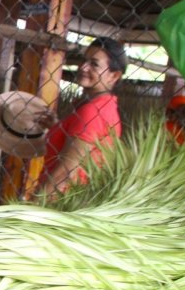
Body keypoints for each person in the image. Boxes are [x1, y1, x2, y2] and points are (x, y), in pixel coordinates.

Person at [36, 37, 127, 195]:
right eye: (84, 60)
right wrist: (57, 127)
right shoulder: (107, 107)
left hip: (59, 200)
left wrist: (29, 209)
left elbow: (66, 171)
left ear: (114, 76)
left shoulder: (92, 111)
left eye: (94, 64)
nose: (83, 67)